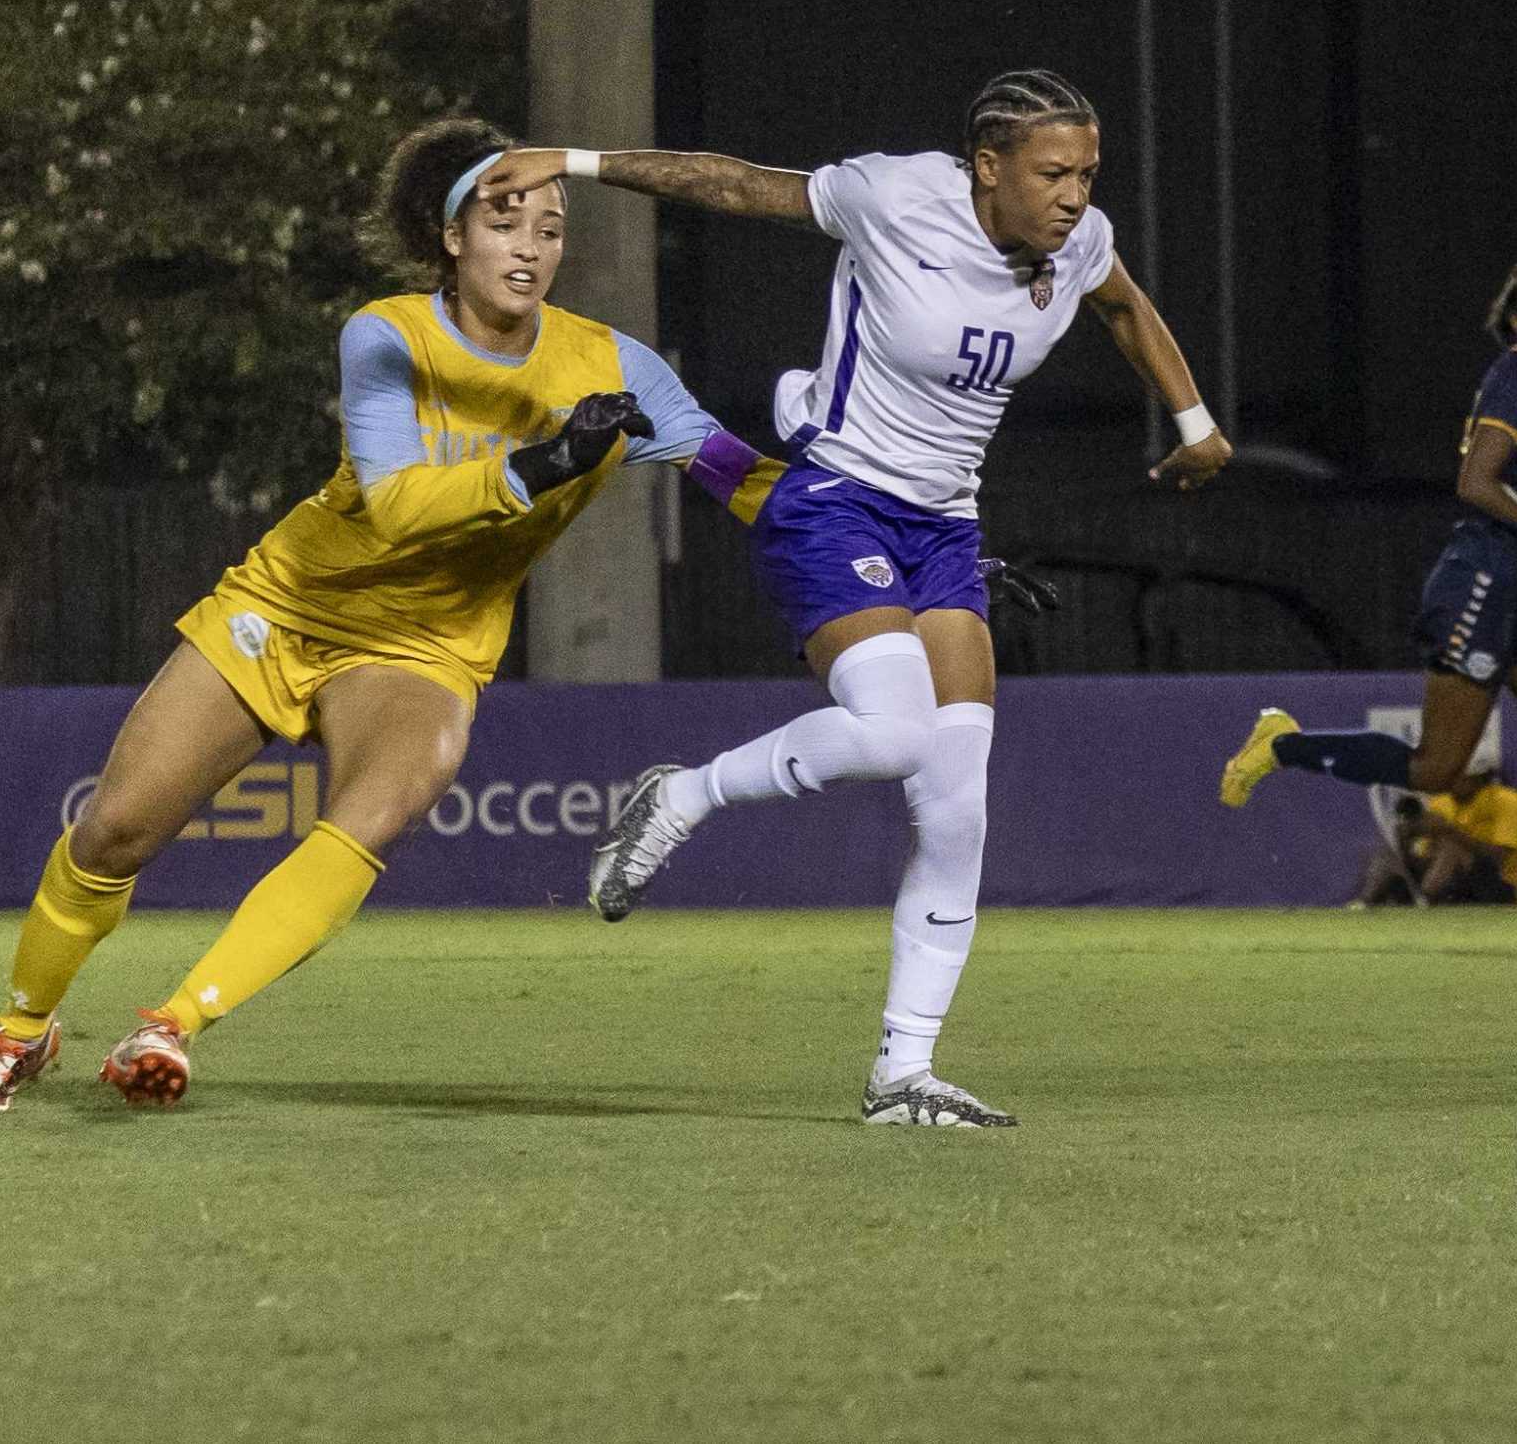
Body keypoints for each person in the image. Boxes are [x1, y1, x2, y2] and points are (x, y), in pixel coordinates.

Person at [0, 116, 786, 1115]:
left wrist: (907, 549)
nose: (530, 245)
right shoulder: (385, 333)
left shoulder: (616, 366)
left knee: (374, 811)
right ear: (452, 237)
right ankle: (20, 1032)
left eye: (550, 227)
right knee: (115, 831)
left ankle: (169, 1026)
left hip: (425, 649)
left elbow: (741, 478)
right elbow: (395, 504)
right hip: (288, 605)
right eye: (503, 219)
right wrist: (545, 460)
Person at [479, 68, 1232, 1127]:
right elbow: (737, 185)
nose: (1074, 194)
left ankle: (901, 1076)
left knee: (959, 801)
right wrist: (577, 161)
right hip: (835, 498)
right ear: (986, 166)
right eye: (1053, 172)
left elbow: (1123, 303)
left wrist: (1193, 419)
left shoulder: (1081, 242)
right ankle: (683, 793)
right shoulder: (894, 196)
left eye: (1088, 172)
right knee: (890, 734)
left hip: (947, 532)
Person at [1218, 259, 1517, 952]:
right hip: (1482, 583)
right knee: (1437, 768)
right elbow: (1476, 482)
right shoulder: (1515, 376)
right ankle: (1282, 743)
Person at [1353, 770, 1517, 907]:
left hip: (1496, 884)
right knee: (1390, 853)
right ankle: (1363, 903)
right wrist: (1406, 839)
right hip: (1450, 883)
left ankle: (1424, 900)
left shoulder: (1506, 799)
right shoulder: (1440, 801)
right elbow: (1426, 853)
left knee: (1450, 847)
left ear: (1481, 775)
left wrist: (1449, 831)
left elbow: (1499, 858)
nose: (1453, 781)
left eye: (1461, 775)